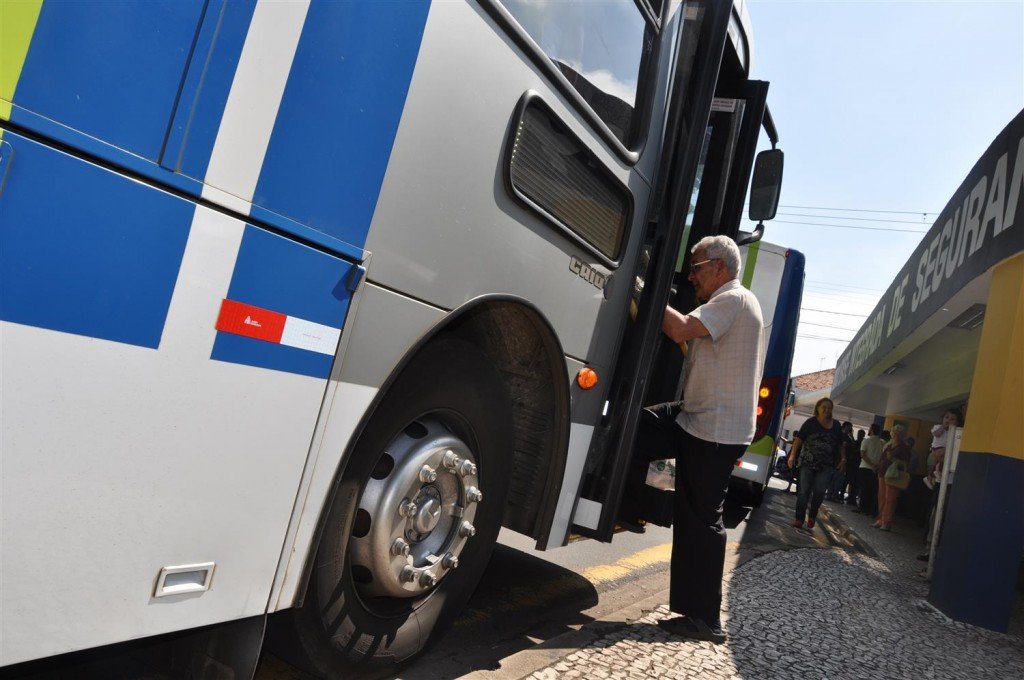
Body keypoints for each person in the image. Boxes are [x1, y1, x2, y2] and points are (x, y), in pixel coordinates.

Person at [644, 235, 764, 645]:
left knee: (702, 518)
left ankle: (707, 620)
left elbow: (678, 327)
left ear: (720, 267)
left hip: (714, 430)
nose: (691, 275)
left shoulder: (734, 299)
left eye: (696, 267)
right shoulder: (728, 302)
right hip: (699, 420)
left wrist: (643, 285)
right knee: (642, 430)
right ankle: (693, 614)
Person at [787, 398, 846, 529]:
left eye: (829, 408)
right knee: (803, 492)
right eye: (824, 407)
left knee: (819, 492)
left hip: (826, 466)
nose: (827, 410)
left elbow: (841, 444)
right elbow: (799, 439)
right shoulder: (810, 423)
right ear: (818, 408)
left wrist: (843, 459)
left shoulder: (836, 425)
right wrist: (792, 455)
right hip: (807, 463)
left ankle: (812, 515)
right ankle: (799, 519)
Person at [874, 423, 912, 531]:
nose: (896, 434)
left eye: (899, 432)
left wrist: (893, 459)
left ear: (902, 435)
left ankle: (886, 522)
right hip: (882, 473)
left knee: (890, 499)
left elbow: (905, 464)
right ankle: (880, 519)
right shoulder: (888, 445)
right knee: (881, 498)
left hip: (893, 475)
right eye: (894, 432)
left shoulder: (904, 448)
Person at [855, 424, 884, 516]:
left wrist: (871, 464)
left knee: (863, 488)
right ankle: (869, 509)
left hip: (865, 467)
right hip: (875, 470)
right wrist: (876, 466)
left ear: (871, 430)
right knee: (872, 490)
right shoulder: (881, 442)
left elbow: (863, 455)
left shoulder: (866, 441)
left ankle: (862, 508)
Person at [826, 421, 854, 501]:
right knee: (838, 479)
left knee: (833, 479)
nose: (851, 429)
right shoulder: (845, 437)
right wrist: (843, 460)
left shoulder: (838, 435)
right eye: (850, 427)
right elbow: (843, 448)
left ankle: (830, 495)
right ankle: (833, 496)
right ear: (845, 426)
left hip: (835, 460)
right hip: (840, 461)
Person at [844, 429, 865, 506]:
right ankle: (850, 497)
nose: (859, 436)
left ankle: (852, 497)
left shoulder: (861, 443)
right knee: (851, 482)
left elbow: (856, 452)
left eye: (860, 434)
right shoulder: (856, 442)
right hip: (853, 465)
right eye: (859, 434)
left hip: (857, 465)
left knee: (855, 483)